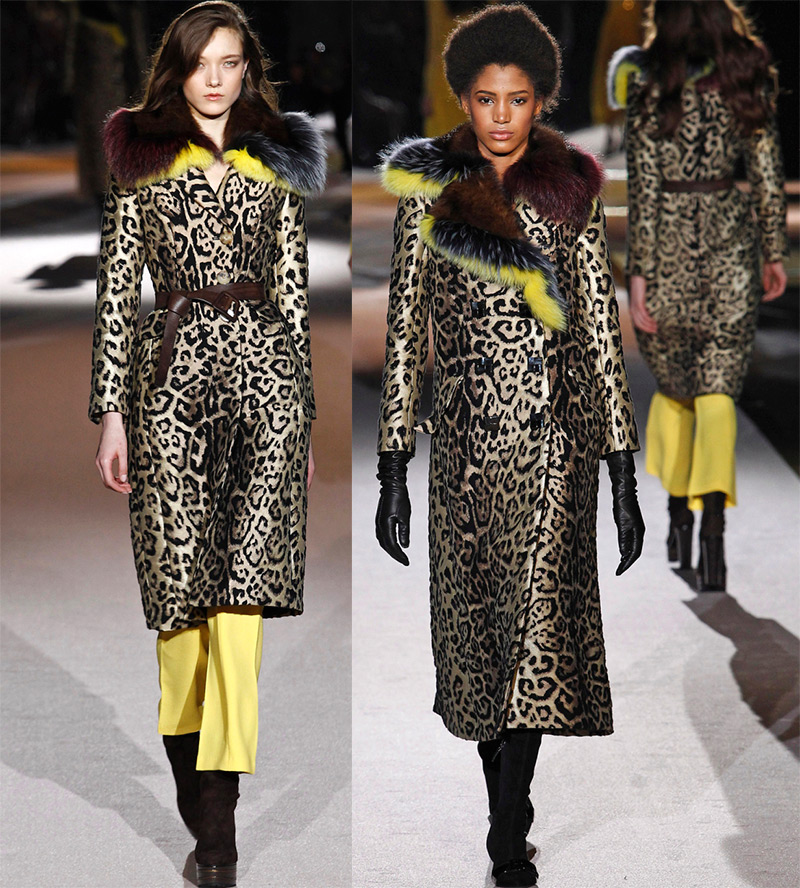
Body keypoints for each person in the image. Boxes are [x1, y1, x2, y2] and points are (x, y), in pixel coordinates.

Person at [374, 6, 645, 887]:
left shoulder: (570, 191)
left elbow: (598, 329)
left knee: (535, 639)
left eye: (517, 99)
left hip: (555, 446)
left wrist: (621, 468)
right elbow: (406, 331)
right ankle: (507, 803)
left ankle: (505, 826)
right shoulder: (427, 193)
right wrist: (391, 466)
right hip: (462, 453)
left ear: (541, 101)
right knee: (479, 643)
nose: (501, 116)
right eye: (486, 99)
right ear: (463, 98)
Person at [89, 3, 325, 885]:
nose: (217, 78)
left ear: (247, 69)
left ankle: (217, 835)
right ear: (179, 70)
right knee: (181, 608)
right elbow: (118, 288)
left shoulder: (277, 159)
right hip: (172, 391)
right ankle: (200, 798)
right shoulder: (141, 158)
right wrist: (112, 412)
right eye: (201, 63)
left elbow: (294, 291)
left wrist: (303, 412)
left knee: (241, 605)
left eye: (230, 62)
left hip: (266, 388)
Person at [608, 0, 787, 591]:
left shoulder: (650, 86)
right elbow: (766, 175)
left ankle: (679, 516)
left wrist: (638, 275)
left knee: (678, 393)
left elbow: (645, 190)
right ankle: (713, 533)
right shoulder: (745, 78)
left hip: (668, 258)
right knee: (717, 394)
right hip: (729, 251)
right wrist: (773, 251)